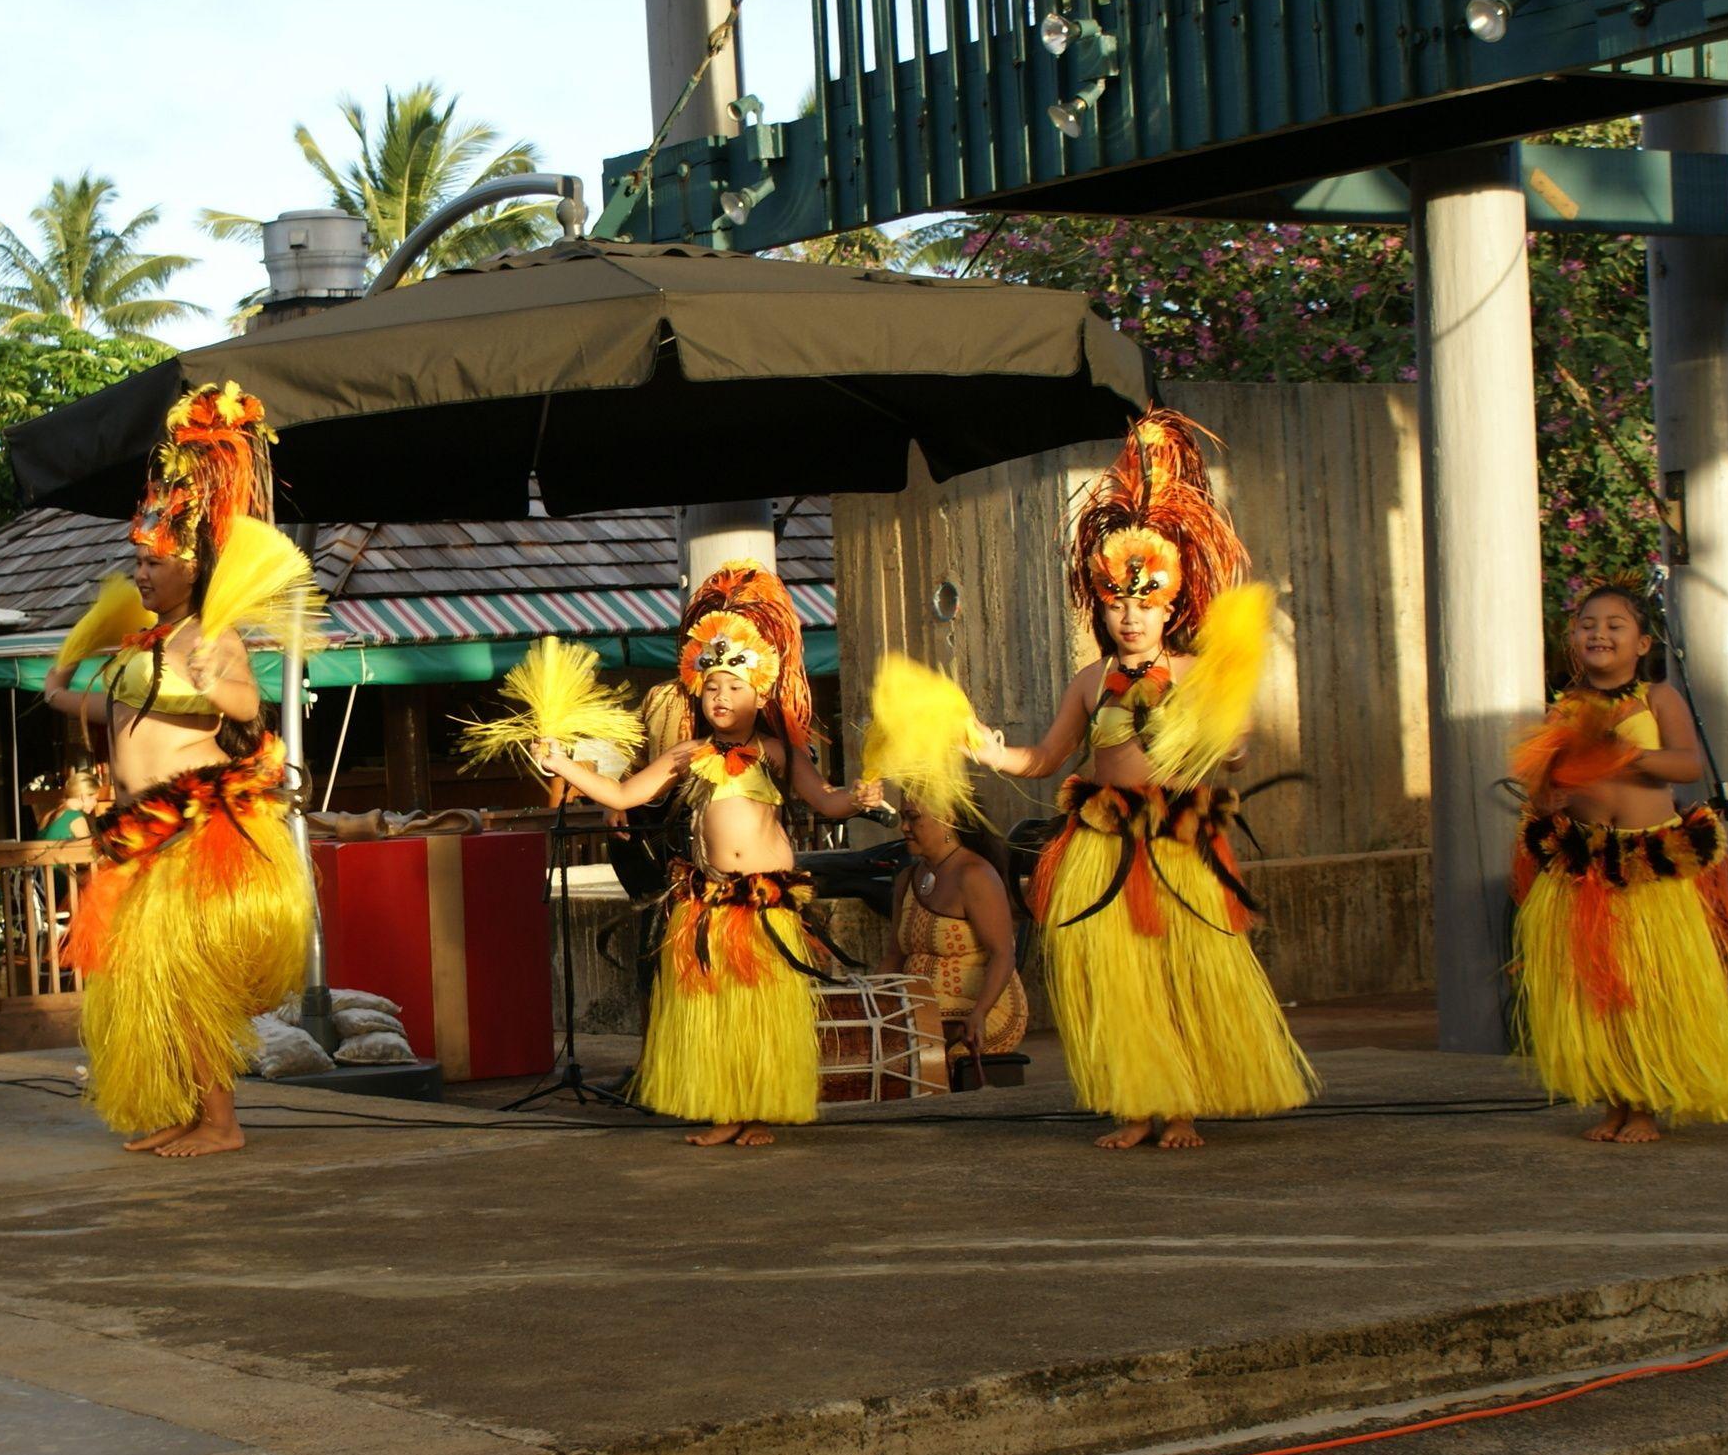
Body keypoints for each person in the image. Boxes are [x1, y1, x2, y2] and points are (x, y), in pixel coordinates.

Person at [972, 411, 1313, 1149]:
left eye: (1144, 602)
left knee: (1178, 973)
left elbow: (1236, 743)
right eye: (1117, 602)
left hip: (1174, 844)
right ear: (1100, 602)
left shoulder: (1194, 675)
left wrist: (1232, 747)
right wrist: (995, 752)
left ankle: (1182, 1104)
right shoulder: (1090, 681)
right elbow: (1049, 758)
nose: (1129, 615)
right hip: (1101, 842)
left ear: (1169, 605)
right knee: (1118, 982)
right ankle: (1136, 1102)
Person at [43, 383, 312, 1158]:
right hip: (136, 833)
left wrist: (193, 676)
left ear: (193, 566)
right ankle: (188, 1109)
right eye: (137, 561)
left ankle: (222, 1121)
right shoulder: (142, 642)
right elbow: (124, 716)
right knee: (148, 984)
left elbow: (243, 702)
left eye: (154, 562)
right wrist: (66, 695)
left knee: (185, 979)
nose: (143, 574)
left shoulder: (208, 633)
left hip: (190, 830)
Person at [536, 562, 885, 1147]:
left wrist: (859, 798)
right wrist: (564, 764)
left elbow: (826, 802)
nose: (721, 697)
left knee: (762, 1011)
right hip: (708, 898)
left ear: (761, 692)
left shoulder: (778, 750)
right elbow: (625, 794)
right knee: (716, 1012)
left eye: (735, 687)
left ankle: (761, 1111)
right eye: (713, 686)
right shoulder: (687, 752)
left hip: (765, 901)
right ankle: (728, 1107)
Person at [1508, 584, 1728, 1143]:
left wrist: (1628, 755)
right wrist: (1549, 796)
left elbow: (1687, 766)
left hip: (1648, 864)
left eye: (1615, 625)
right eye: (1588, 623)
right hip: (1586, 863)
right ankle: (1615, 1099)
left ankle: (1646, 1104)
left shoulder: (1658, 698)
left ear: (1641, 643)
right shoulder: (1565, 708)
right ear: (1573, 638)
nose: (1599, 633)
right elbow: (1542, 788)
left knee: (1648, 984)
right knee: (1597, 988)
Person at [884, 796, 1027, 1088]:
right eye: (903, 817)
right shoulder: (907, 878)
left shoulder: (975, 874)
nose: (904, 827)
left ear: (947, 816)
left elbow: (1003, 954)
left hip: (984, 1012)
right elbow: (896, 954)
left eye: (913, 817)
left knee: (919, 1057)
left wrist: (979, 1013)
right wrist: (866, 1001)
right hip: (922, 1013)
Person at [38, 768, 99, 842]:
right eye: (95, 799)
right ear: (84, 797)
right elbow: (90, 851)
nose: (96, 803)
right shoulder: (76, 818)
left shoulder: (48, 815)